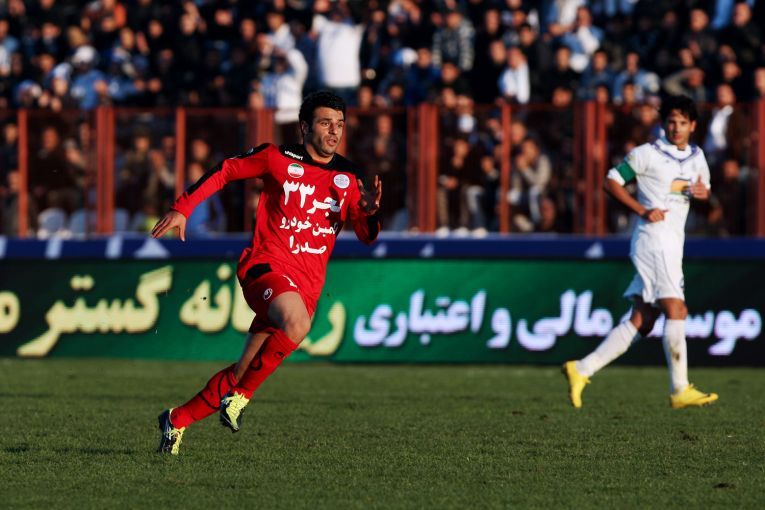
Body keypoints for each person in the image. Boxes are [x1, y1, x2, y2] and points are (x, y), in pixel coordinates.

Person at [152, 91, 382, 454]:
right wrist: (184, 207)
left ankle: (176, 420)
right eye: (325, 123)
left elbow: (367, 236)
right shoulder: (277, 157)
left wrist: (368, 212)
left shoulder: (349, 177)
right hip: (266, 266)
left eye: (339, 124)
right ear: (304, 127)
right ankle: (240, 398)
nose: (334, 131)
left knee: (243, 370)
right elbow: (227, 170)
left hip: (306, 286)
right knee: (297, 324)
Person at [562, 95, 718, 410]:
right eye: (671, 122)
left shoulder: (697, 157)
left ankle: (581, 368)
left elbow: (703, 192)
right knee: (677, 309)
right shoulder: (646, 154)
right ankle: (679, 389)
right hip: (652, 240)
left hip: (673, 244)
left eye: (682, 122)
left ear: (693, 126)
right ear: (663, 124)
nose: (676, 128)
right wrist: (641, 210)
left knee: (643, 319)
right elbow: (612, 181)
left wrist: (704, 194)